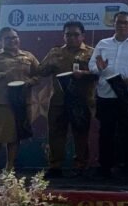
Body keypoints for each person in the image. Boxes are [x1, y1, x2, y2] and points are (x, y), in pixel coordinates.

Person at [88, 12, 128, 179]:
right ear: (113, 24)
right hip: (106, 95)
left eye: (125, 23)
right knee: (106, 132)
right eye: (118, 22)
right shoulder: (103, 44)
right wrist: (99, 68)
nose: (121, 25)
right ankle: (105, 168)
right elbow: (92, 65)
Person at [38, 21, 95, 178]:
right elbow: (41, 71)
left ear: (83, 36)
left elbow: (99, 73)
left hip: (81, 101)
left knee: (81, 133)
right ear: (63, 36)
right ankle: (55, 166)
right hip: (59, 101)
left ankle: (81, 166)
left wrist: (84, 73)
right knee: (56, 133)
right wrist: (49, 64)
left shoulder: (91, 53)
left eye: (76, 34)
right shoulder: (55, 52)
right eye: (68, 35)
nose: (72, 38)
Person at [0, 27, 39, 174]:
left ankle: (10, 168)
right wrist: (2, 75)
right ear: (1, 41)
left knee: (15, 136)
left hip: (21, 102)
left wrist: (30, 82)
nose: (12, 41)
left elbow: (39, 74)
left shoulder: (28, 56)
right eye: (8, 38)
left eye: (15, 37)